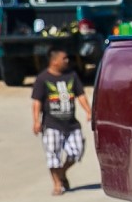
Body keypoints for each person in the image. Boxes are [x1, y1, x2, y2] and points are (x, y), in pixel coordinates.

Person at [32, 48, 91, 194]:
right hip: (52, 124)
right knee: (53, 155)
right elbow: (37, 102)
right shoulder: (43, 78)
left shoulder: (71, 75)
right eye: (64, 58)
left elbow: (81, 95)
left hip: (71, 123)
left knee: (77, 152)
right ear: (54, 61)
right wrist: (36, 121)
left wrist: (89, 111)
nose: (67, 61)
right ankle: (57, 184)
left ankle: (62, 172)